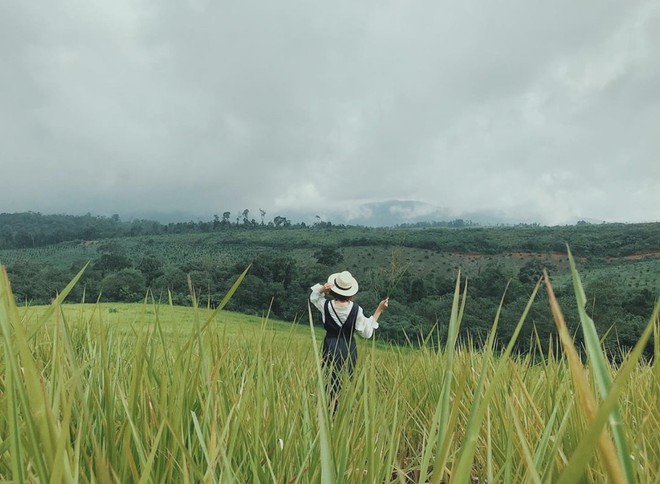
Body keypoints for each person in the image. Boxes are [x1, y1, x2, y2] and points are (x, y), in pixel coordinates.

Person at [309, 270, 389, 409]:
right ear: (351, 293)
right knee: (346, 380)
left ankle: (326, 409)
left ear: (333, 290)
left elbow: (314, 297)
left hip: (330, 344)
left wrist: (323, 288)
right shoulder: (356, 310)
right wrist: (379, 310)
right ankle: (341, 411)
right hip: (348, 347)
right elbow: (367, 332)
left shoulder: (326, 305)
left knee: (328, 378)